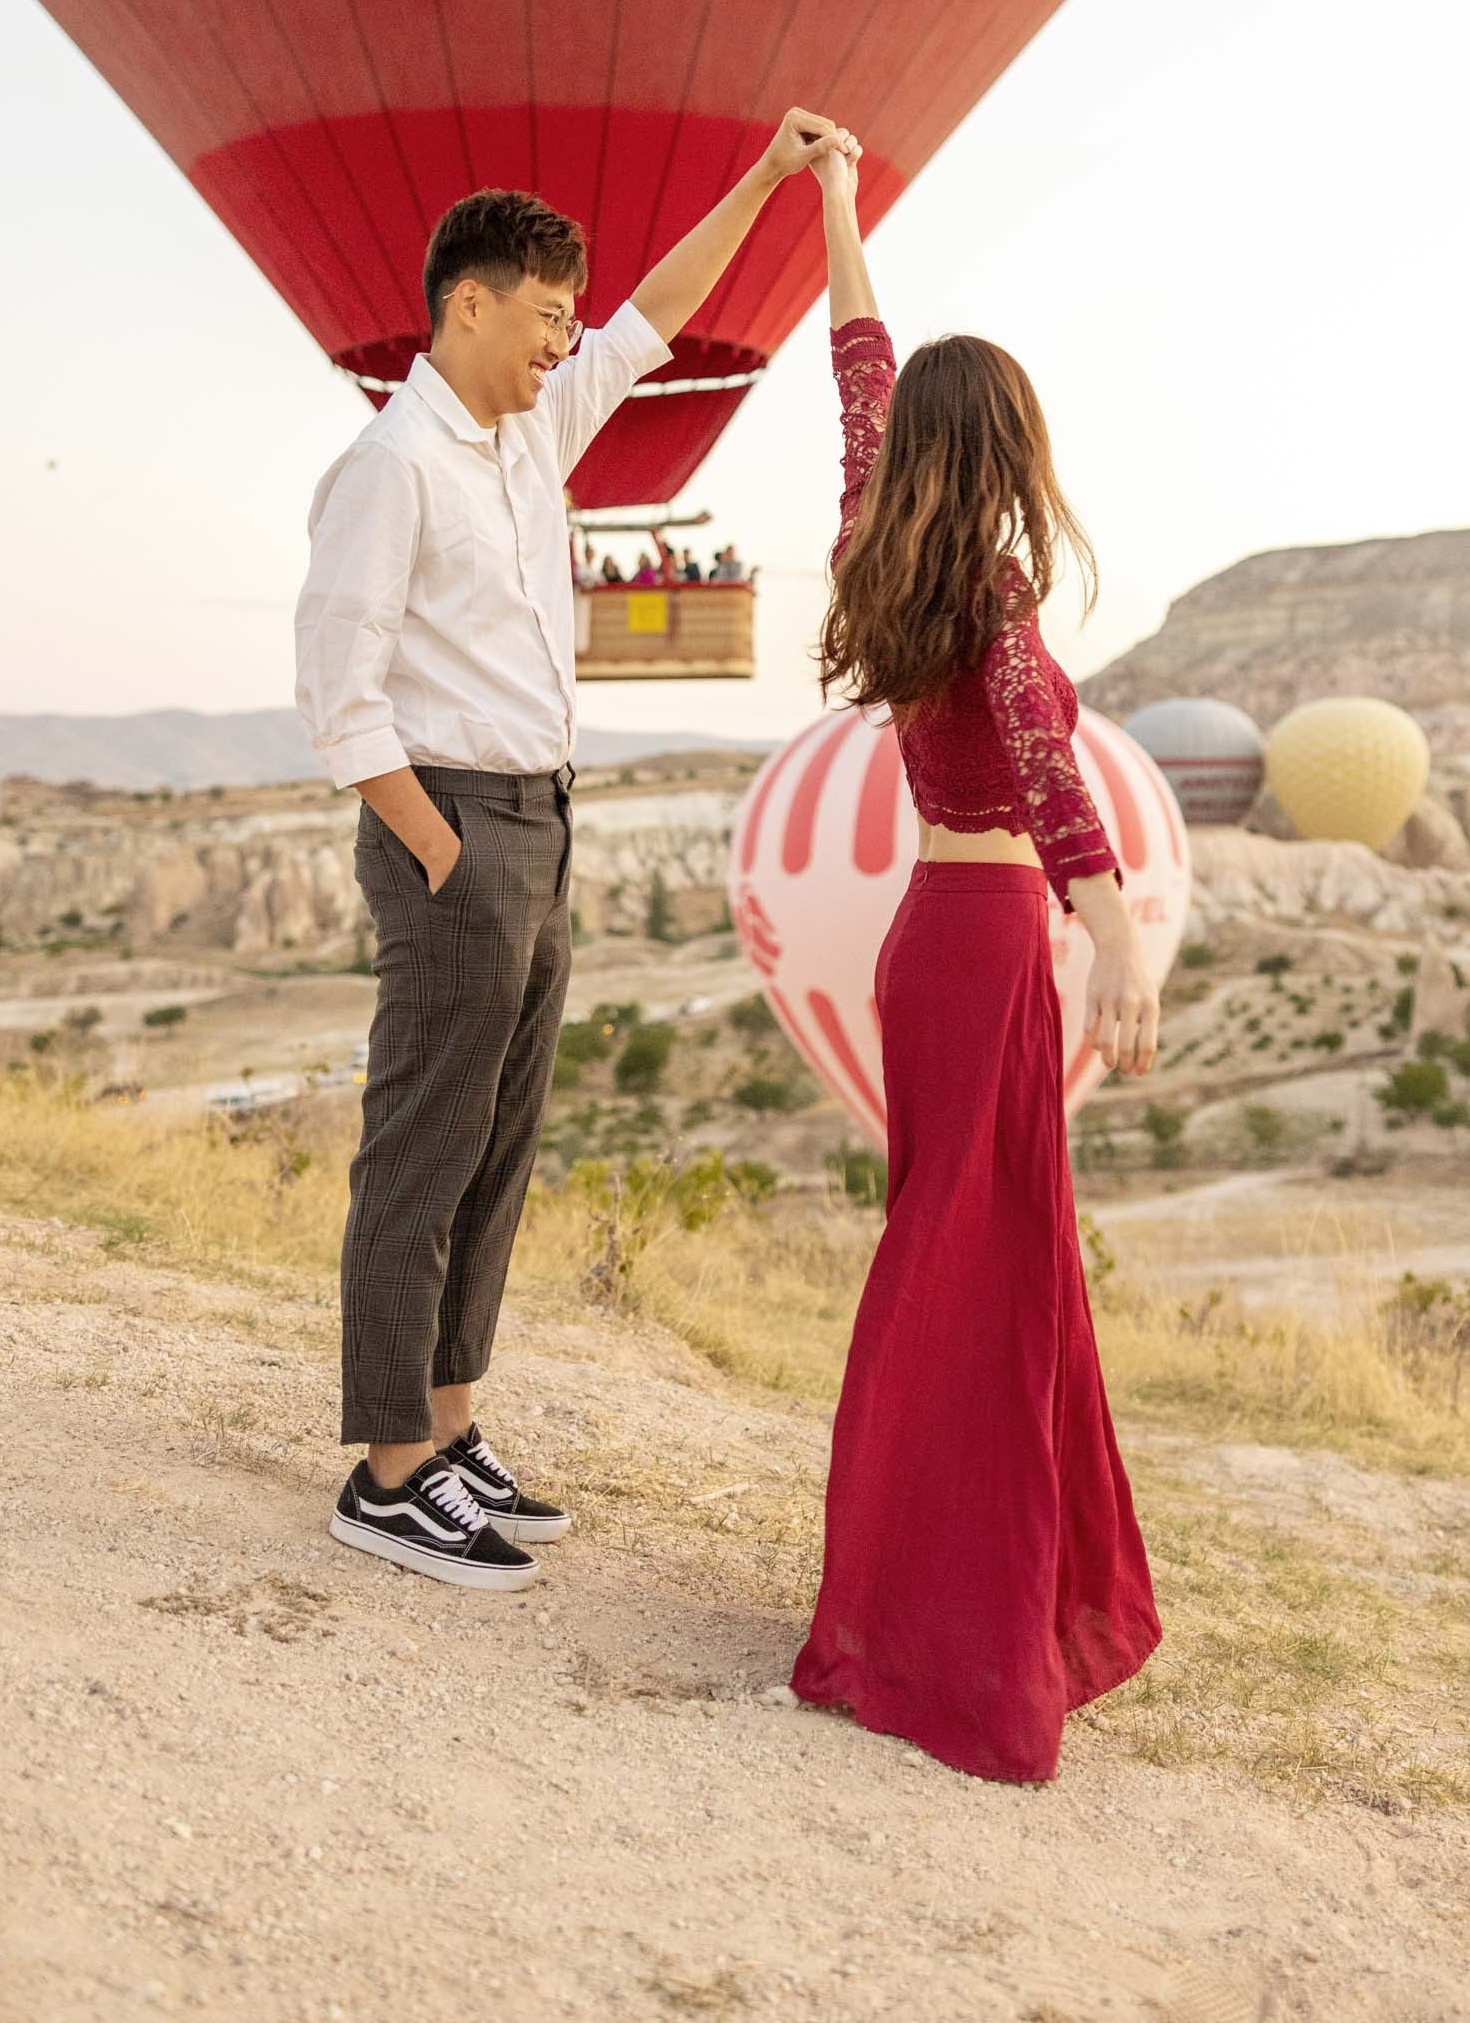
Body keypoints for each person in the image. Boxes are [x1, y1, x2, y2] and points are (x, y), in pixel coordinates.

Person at [295, 112, 847, 1592]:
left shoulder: (530, 431)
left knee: (499, 1143)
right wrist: (441, 853)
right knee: (422, 1145)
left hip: (540, 816)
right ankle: (385, 1474)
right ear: (468, 305)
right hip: (453, 822)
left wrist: (769, 178)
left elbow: (657, 316)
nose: (564, 344)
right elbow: (338, 697)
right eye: (545, 318)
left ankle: (448, 1426)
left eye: (568, 322)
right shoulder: (391, 468)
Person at [789, 133, 1163, 1780]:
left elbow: (856, 375)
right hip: (995, 939)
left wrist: (836, 205)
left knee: (949, 1266)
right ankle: (962, 1632)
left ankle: (916, 1598)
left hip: (922, 939)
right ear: (1008, 449)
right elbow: (1050, 778)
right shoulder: (996, 597)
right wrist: (1119, 943)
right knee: (985, 1283)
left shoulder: (880, 553)